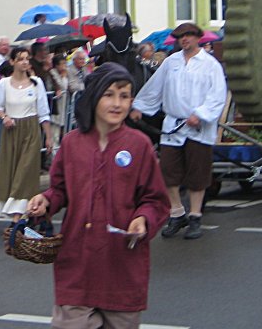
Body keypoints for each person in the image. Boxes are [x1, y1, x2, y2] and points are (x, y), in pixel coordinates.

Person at [27, 63, 170, 329]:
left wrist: (143, 219)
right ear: (94, 97)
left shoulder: (139, 146)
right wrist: (46, 200)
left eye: (125, 96)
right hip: (77, 261)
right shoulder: (72, 143)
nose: (117, 103)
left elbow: (156, 200)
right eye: (110, 94)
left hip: (123, 264)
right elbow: (59, 189)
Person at [130, 22, 227, 240]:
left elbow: (217, 94)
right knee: (168, 173)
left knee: (197, 173)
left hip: (198, 126)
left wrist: (200, 114)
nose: (185, 40)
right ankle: (177, 212)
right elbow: (155, 87)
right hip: (173, 125)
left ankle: (195, 216)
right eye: (181, 37)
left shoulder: (210, 65)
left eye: (189, 36)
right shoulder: (171, 62)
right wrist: (140, 107)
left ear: (197, 38)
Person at [0, 47, 52, 222]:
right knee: (11, 171)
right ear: (12, 62)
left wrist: (48, 136)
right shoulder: (4, 83)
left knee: (25, 171)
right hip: (12, 131)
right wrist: (5, 117)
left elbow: (43, 112)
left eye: (27, 58)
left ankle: (17, 217)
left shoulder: (36, 82)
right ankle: (19, 213)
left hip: (31, 130)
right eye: (20, 59)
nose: (25, 62)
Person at [49, 54, 69, 146]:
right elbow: (63, 86)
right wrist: (64, 77)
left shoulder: (64, 73)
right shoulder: (53, 73)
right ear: (56, 65)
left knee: (61, 133)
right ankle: (53, 156)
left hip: (63, 107)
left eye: (65, 63)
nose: (64, 66)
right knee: (54, 135)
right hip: (56, 109)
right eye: (62, 64)